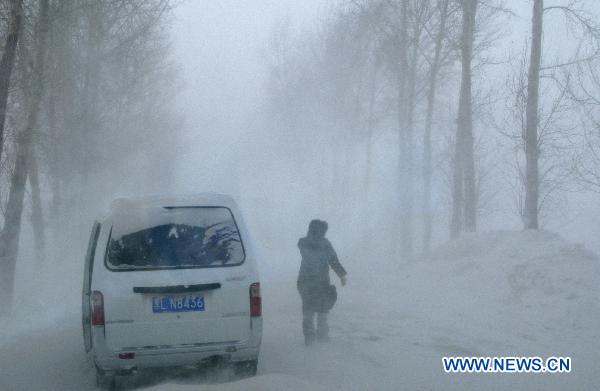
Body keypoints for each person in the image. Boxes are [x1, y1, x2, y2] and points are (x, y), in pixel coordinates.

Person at [297, 219, 347, 345]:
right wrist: (341, 275)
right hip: (319, 281)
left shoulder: (303, 242)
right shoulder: (323, 244)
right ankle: (322, 336)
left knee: (309, 310)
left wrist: (341, 274)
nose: (324, 233)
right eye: (323, 230)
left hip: (306, 281)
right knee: (322, 310)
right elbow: (333, 260)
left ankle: (310, 338)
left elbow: (330, 259)